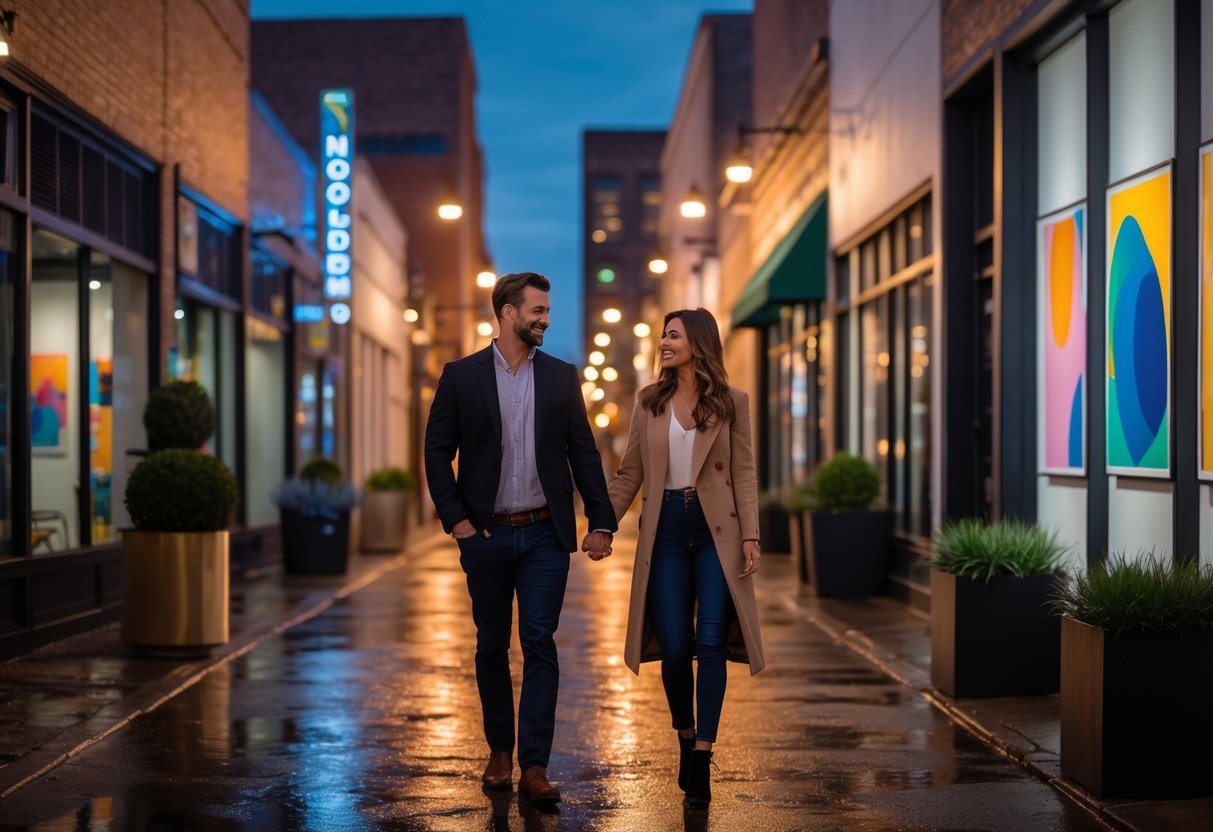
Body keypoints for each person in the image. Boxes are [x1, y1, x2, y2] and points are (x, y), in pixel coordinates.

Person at [424, 271, 617, 805]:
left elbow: (584, 452)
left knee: (538, 644)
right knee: (491, 645)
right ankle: (499, 752)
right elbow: (436, 450)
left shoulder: (560, 377)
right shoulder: (460, 376)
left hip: (543, 536)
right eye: (537, 310)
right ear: (507, 312)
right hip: (485, 535)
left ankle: (534, 765)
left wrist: (600, 520)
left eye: (548, 311)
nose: (545, 319)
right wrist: (458, 520)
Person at [596, 307, 765, 808]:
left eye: (673, 335)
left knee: (710, 638)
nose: (665, 343)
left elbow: (745, 474)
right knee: (674, 645)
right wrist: (605, 523)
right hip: (666, 528)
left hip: (717, 531)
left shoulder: (732, 402)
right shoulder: (648, 404)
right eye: (663, 336)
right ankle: (686, 736)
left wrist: (751, 536)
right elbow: (629, 473)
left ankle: (703, 757)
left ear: (697, 341)